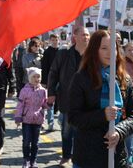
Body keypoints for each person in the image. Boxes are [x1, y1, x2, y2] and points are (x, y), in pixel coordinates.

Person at [67, 30, 133, 167]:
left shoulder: (125, 79)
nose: (109, 52)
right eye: (104, 48)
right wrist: (102, 115)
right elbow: (73, 118)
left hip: (117, 156)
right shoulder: (81, 78)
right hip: (88, 157)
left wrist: (119, 131)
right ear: (94, 50)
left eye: (113, 48)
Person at [47, 26, 90, 167]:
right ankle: (66, 156)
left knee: (83, 130)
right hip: (68, 98)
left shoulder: (92, 55)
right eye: (83, 35)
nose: (86, 37)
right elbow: (53, 73)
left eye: (88, 35)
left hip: (87, 99)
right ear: (75, 37)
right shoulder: (64, 53)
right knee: (67, 130)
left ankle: (80, 156)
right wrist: (51, 93)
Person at [15, 67, 49, 168]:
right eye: (34, 76)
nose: (36, 79)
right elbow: (20, 105)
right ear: (30, 78)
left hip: (38, 120)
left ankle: (33, 161)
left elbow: (44, 106)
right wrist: (18, 117)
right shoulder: (24, 90)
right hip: (26, 120)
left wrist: (50, 103)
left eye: (38, 77)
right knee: (26, 141)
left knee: (35, 143)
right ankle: (26, 159)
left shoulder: (43, 91)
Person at [40, 33, 60, 132]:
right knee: (50, 102)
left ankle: (60, 120)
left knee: (61, 101)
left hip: (61, 80)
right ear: (50, 41)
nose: (55, 42)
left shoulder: (62, 51)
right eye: (53, 40)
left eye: (56, 40)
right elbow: (44, 67)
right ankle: (50, 123)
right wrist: (44, 81)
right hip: (50, 80)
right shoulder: (47, 52)